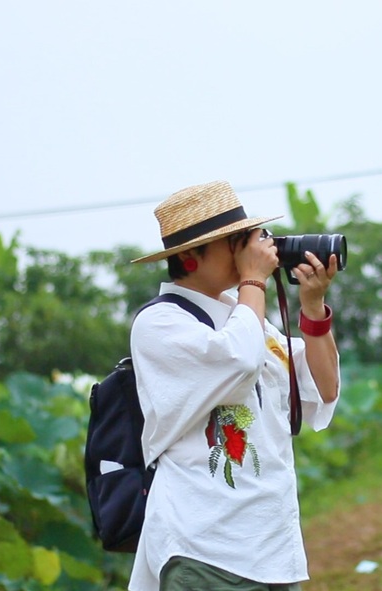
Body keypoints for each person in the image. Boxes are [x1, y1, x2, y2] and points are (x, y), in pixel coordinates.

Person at [127, 180, 341, 591]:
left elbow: (324, 387)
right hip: (203, 545)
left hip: (272, 548)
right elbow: (239, 360)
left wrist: (312, 308)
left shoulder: (248, 318)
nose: (250, 251)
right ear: (189, 257)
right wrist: (254, 281)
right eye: (233, 241)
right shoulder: (159, 323)